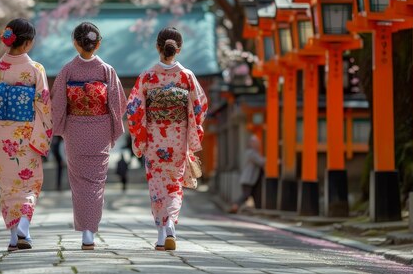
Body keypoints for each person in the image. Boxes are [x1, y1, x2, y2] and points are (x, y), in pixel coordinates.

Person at [0, 19, 53, 252]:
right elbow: (43, 104)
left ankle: (15, 236)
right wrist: (48, 131)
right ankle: (23, 226)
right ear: (26, 43)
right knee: (30, 182)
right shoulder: (36, 69)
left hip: (2, 135)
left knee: (7, 185)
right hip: (27, 134)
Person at [126, 27, 208, 252]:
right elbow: (200, 107)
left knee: (157, 186)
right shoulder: (186, 76)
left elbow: (133, 109)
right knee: (174, 185)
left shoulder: (147, 76)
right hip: (178, 137)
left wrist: (139, 135)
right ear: (178, 49)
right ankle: (171, 223)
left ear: (157, 47)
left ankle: (162, 234)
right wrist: (189, 122)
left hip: (154, 138)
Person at [51, 22, 127, 250]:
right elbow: (117, 104)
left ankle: (85, 230)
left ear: (75, 43)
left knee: (79, 183)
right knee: (96, 183)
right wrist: (114, 127)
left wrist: (59, 127)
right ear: (98, 43)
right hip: (100, 129)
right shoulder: (107, 71)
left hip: (75, 129)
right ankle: (89, 232)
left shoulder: (67, 70)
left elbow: (57, 105)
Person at [228, 135, 265, 214]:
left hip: (252, 180)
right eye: (255, 143)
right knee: (246, 195)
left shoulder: (252, 152)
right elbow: (261, 162)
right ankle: (235, 205)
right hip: (248, 179)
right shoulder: (251, 153)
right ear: (251, 143)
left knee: (255, 195)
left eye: (258, 143)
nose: (257, 144)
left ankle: (257, 209)